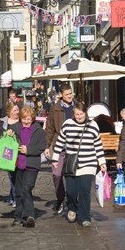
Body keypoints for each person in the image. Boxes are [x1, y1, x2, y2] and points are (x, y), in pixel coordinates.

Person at [52, 101, 106, 227]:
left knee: (84, 191)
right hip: (72, 163)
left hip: (89, 163)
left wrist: (102, 162)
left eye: (82, 114)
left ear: (85, 113)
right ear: (73, 114)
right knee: (71, 191)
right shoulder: (67, 125)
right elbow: (60, 142)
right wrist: (55, 159)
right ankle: (72, 208)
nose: (80, 116)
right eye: (77, 114)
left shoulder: (93, 125)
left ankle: (85, 217)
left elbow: (98, 145)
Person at [9, 106, 46, 227]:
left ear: (33, 118)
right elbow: (4, 138)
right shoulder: (15, 128)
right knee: (19, 191)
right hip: (17, 164)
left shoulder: (38, 130)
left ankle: (29, 216)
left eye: (28, 119)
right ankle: (18, 216)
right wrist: (8, 133)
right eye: (24, 118)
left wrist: (28, 149)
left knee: (26, 188)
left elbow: (41, 146)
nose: (26, 121)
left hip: (31, 165)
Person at [44, 83, 75, 214]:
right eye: (67, 94)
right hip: (59, 147)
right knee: (57, 175)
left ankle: (72, 202)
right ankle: (60, 198)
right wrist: (46, 146)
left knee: (72, 176)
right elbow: (50, 128)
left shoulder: (77, 107)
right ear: (61, 95)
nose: (70, 96)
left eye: (71, 93)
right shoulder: (55, 109)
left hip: (74, 148)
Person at [0, 103, 20, 207]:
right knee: (12, 177)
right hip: (8, 153)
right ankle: (13, 197)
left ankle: (14, 198)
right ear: (9, 112)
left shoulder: (22, 122)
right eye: (14, 110)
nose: (17, 112)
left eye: (17, 109)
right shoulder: (3, 122)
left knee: (18, 176)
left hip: (19, 152)